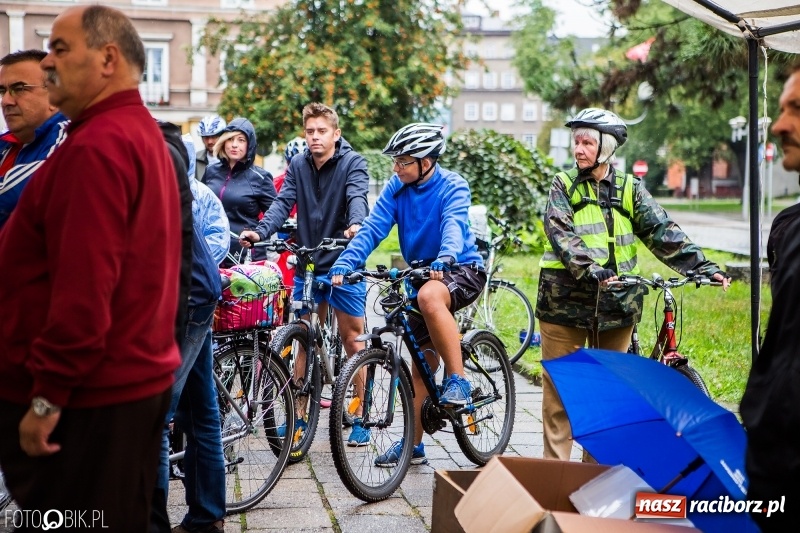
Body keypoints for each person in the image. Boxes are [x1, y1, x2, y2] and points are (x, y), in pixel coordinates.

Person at [0, 6, 182, 531]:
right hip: (117, 393)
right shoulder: (129, 130)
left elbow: (84, 296)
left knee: (77, 523)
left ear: (107, 58)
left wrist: (45, 400)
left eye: (59, 48)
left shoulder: (98, 146)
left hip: (87, 406)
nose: (49, 62)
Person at [536, 108, 730, 462]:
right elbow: (560, 233)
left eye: (587, 142)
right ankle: (554, 478)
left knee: (609, 399)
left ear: (606, 148)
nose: (578, 149)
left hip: (617, 307)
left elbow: (661, 231)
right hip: (564, 305)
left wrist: (702, 266)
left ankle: (594, 480)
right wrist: (589, 267)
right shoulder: (562, 185)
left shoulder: (629, 188)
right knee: (561, 397)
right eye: (575, 142)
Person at [329, 123, 486, 466]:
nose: (396, 168)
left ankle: (458, 379)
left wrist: (444, 257)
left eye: (403, 161)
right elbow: (372, 229)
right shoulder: (396, 190)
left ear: (426, 161)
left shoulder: (452, 185)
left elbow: (453, 225)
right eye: (396, 161)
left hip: (460, 269)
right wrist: (344, 264)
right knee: (421, 365)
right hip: (421, 274)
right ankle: (413, 446)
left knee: (430, 297)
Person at [240, 102, 370, 445]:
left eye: (321, 131)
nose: (315, 137)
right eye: (310, 131)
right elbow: (283, 203)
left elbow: (358, 196)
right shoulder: (298, 164)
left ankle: (361, 414)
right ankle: (298, 416)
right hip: (309, 262)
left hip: (344, 261)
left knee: (353, 339)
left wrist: (356, 223)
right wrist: (262, 231)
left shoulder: (353, 163)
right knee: (303, 338)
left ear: (336, 134)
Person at [151, 133, 229, 533]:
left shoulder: (140, 146)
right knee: (200, 410)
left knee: (153, 418)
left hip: (185, 296)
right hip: (193, 289)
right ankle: (207, 516)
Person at [740, 67, 800, 531]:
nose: (779, 125)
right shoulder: (789, 227)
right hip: (772, 481)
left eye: (796, 109)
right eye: (781, 108)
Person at [0, 49, 68, 229]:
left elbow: (9, 197)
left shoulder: (69, 138)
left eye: (19, 89)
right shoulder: (7, 142)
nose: (6, 101)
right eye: (2, 91)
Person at [203, 117, 276, 265]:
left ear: (250, 144)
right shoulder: (210, 171)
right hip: (212, 253)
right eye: (230, 140)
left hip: (247, 256)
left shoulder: (260, 178)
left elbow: (276, 215)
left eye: (241, 140)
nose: (234, 145)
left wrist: (259, 235)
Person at [195, 114, 226, 181]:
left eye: (214, 136)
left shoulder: (231, 159)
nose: (209, 141)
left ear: (223, 136)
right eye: (206, 137)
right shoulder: (195, 159)